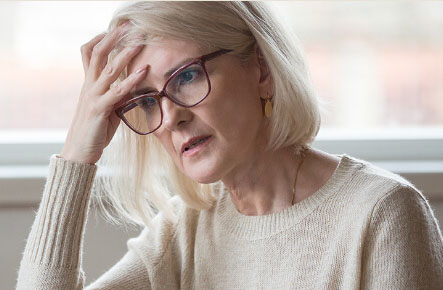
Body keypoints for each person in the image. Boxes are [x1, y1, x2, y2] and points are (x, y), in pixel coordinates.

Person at [16, 2, 443, 289]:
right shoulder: (184, 229)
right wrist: (77, 153)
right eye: (146, 101)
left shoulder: (383, 213)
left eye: (186, 76)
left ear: (260, 67)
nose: (172, 117)